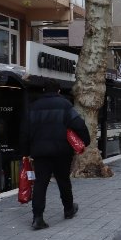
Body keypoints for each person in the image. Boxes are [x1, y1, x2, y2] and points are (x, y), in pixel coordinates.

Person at [20, 79, 90, 230]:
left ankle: (37, 217)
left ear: (44, 91)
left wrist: (25, 152)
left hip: (40, 152)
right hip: (61, 151)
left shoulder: (33, 107)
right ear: (58, 91)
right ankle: (68, 209)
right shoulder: (65, 105)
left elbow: (25, 131)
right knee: (63, 180)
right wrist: (85, 141)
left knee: (41, 183)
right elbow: (79, 124)